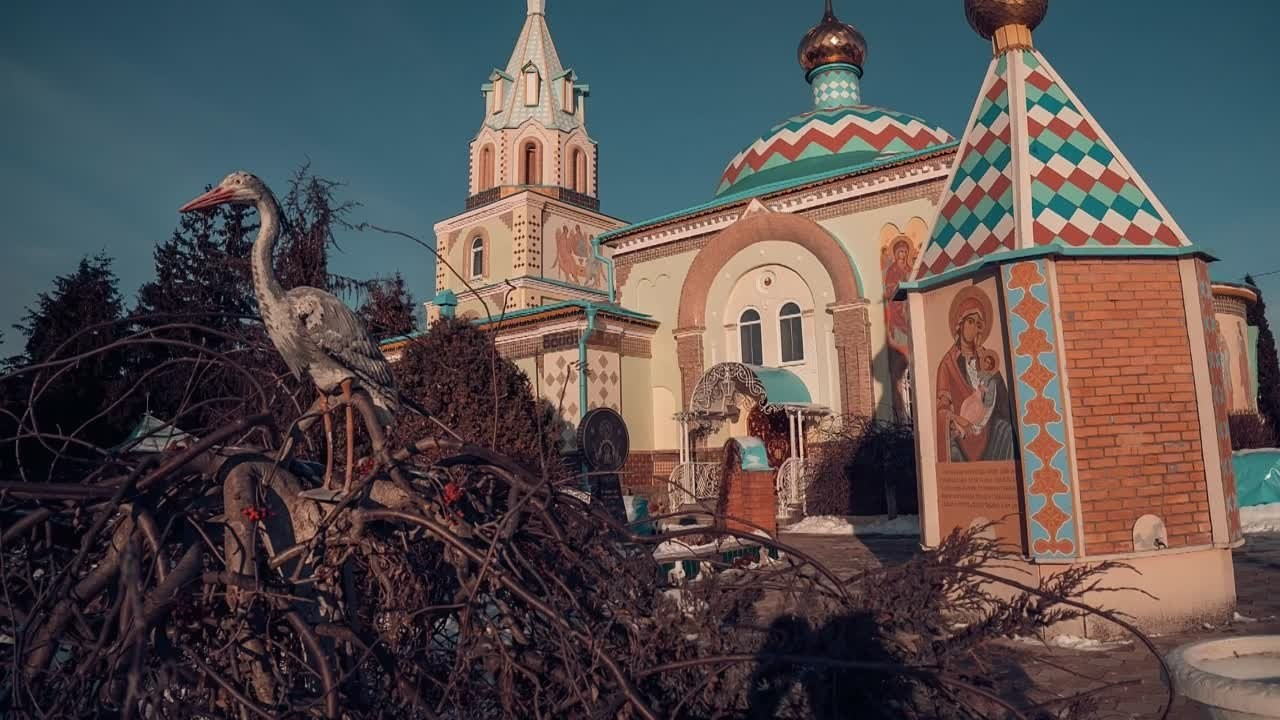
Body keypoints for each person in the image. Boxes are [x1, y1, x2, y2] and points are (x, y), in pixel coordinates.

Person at [935, 289, 1015, 463]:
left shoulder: (987, 359)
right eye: (970, 321)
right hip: (962, 428)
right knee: (953, 448)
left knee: (1008, 431)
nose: (973, 328)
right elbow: (942, 409)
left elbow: (1002, 401)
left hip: (988, 428)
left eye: (978, 325)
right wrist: (958, 420)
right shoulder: (948, 364)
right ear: (960, 324)